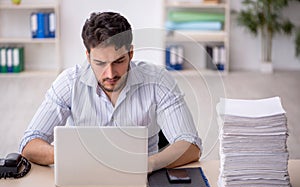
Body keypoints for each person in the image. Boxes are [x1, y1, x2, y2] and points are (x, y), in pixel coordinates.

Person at [19, 12, 202, 173]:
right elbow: (30, 144)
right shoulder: (69, 83)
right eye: (99, 63)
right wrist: (70, 155)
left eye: (119, 61)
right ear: (88, 56)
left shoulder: (158, 80)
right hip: (81, 175)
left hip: (142, 178)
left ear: (131, 53)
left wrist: (149, 164)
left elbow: (191, 145)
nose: (110, 74)